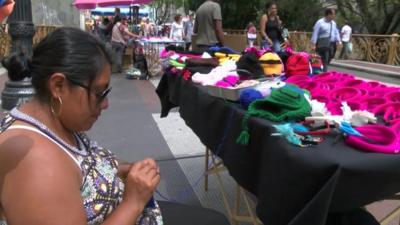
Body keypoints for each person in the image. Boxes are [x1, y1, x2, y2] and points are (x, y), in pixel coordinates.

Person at [0, 27, 230, 225]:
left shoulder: (51, 121)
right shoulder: (34, 163)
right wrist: (133, 201)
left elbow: (79, 171)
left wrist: (123, 170)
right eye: (99, 93)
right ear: (58, 85)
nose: (106, 103)